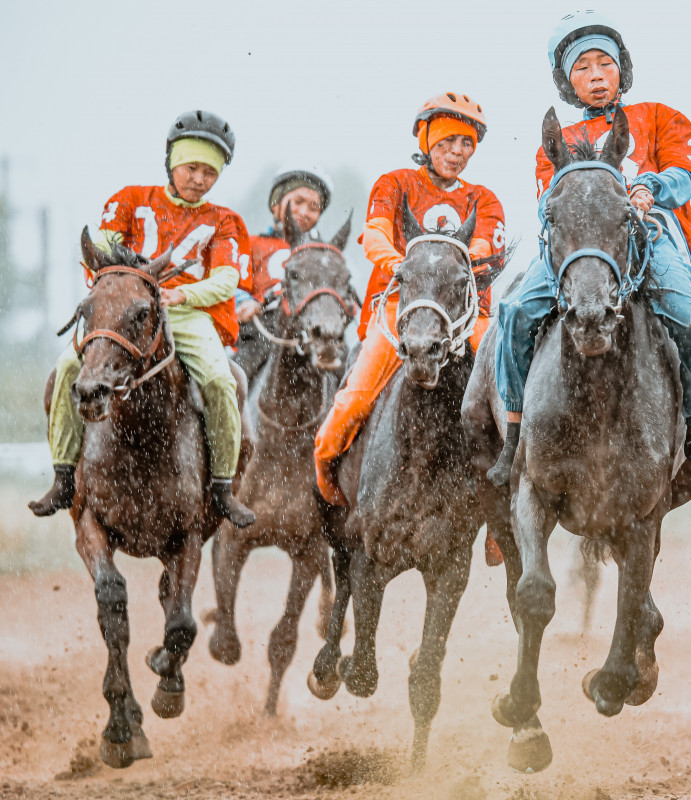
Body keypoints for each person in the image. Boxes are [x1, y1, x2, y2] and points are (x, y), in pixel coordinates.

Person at [487, 10, 691, 503]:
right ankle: (513, 435)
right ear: (567, 81)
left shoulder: (659, 116)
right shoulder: (557, 141)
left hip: (649, 237)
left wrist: (650, 186)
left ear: (623, 69)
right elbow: (548, 200)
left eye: (605, 64)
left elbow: (688, 173)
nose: (596, 75)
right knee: (514, 310)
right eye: (582, 68)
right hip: (579, 246)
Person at [30, 109, 257, 527]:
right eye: (191, 167)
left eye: (210, 172)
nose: (199, 179)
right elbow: (100, 246)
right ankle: (64, 477)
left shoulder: (225, 221)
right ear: (172, 162)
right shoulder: (130, 200)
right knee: (66, 368)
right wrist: (122, 280)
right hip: (124, 314)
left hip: (186, 313)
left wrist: (183, 293)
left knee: (221, 381)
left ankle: (222, 487)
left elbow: (227, 279)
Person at [312, 92, 504, 507]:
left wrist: (447, 266)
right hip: (400, 308)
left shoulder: (484, 200)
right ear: (427, 140)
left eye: (466, 143)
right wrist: (404, 264)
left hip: (466, 315)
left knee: (504, 394)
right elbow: (375, 234)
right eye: (448, 141)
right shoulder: (395, 183)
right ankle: (325, 465)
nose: (457, 152)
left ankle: (507, 497)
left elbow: (484, 248)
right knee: (356, 397)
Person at [233, 167, 334, 382]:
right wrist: (243, 302)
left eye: (314, 207)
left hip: (311, 331)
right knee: (234, 377)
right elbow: (233, 285)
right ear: (276, 204)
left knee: (343, 370)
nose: (304, 212)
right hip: (263, 330)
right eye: (298, 202)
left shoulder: (324, 254)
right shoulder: (252, 244)